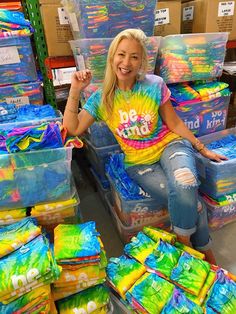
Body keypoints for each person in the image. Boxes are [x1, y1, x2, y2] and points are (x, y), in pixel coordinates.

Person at [63, 28, 227, 264]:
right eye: (121, 54)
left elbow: (174, 122)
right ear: (112, 57)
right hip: (139, 163)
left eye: (134, 56)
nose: (126, 62)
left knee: (185, 183)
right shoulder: (102, 98)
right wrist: (75, 90)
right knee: (192, 202)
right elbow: (73, 129)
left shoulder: (154, 85)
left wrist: (201, 148)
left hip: (171, 146)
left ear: (141, 62)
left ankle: (185, 248)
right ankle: (204, 251)